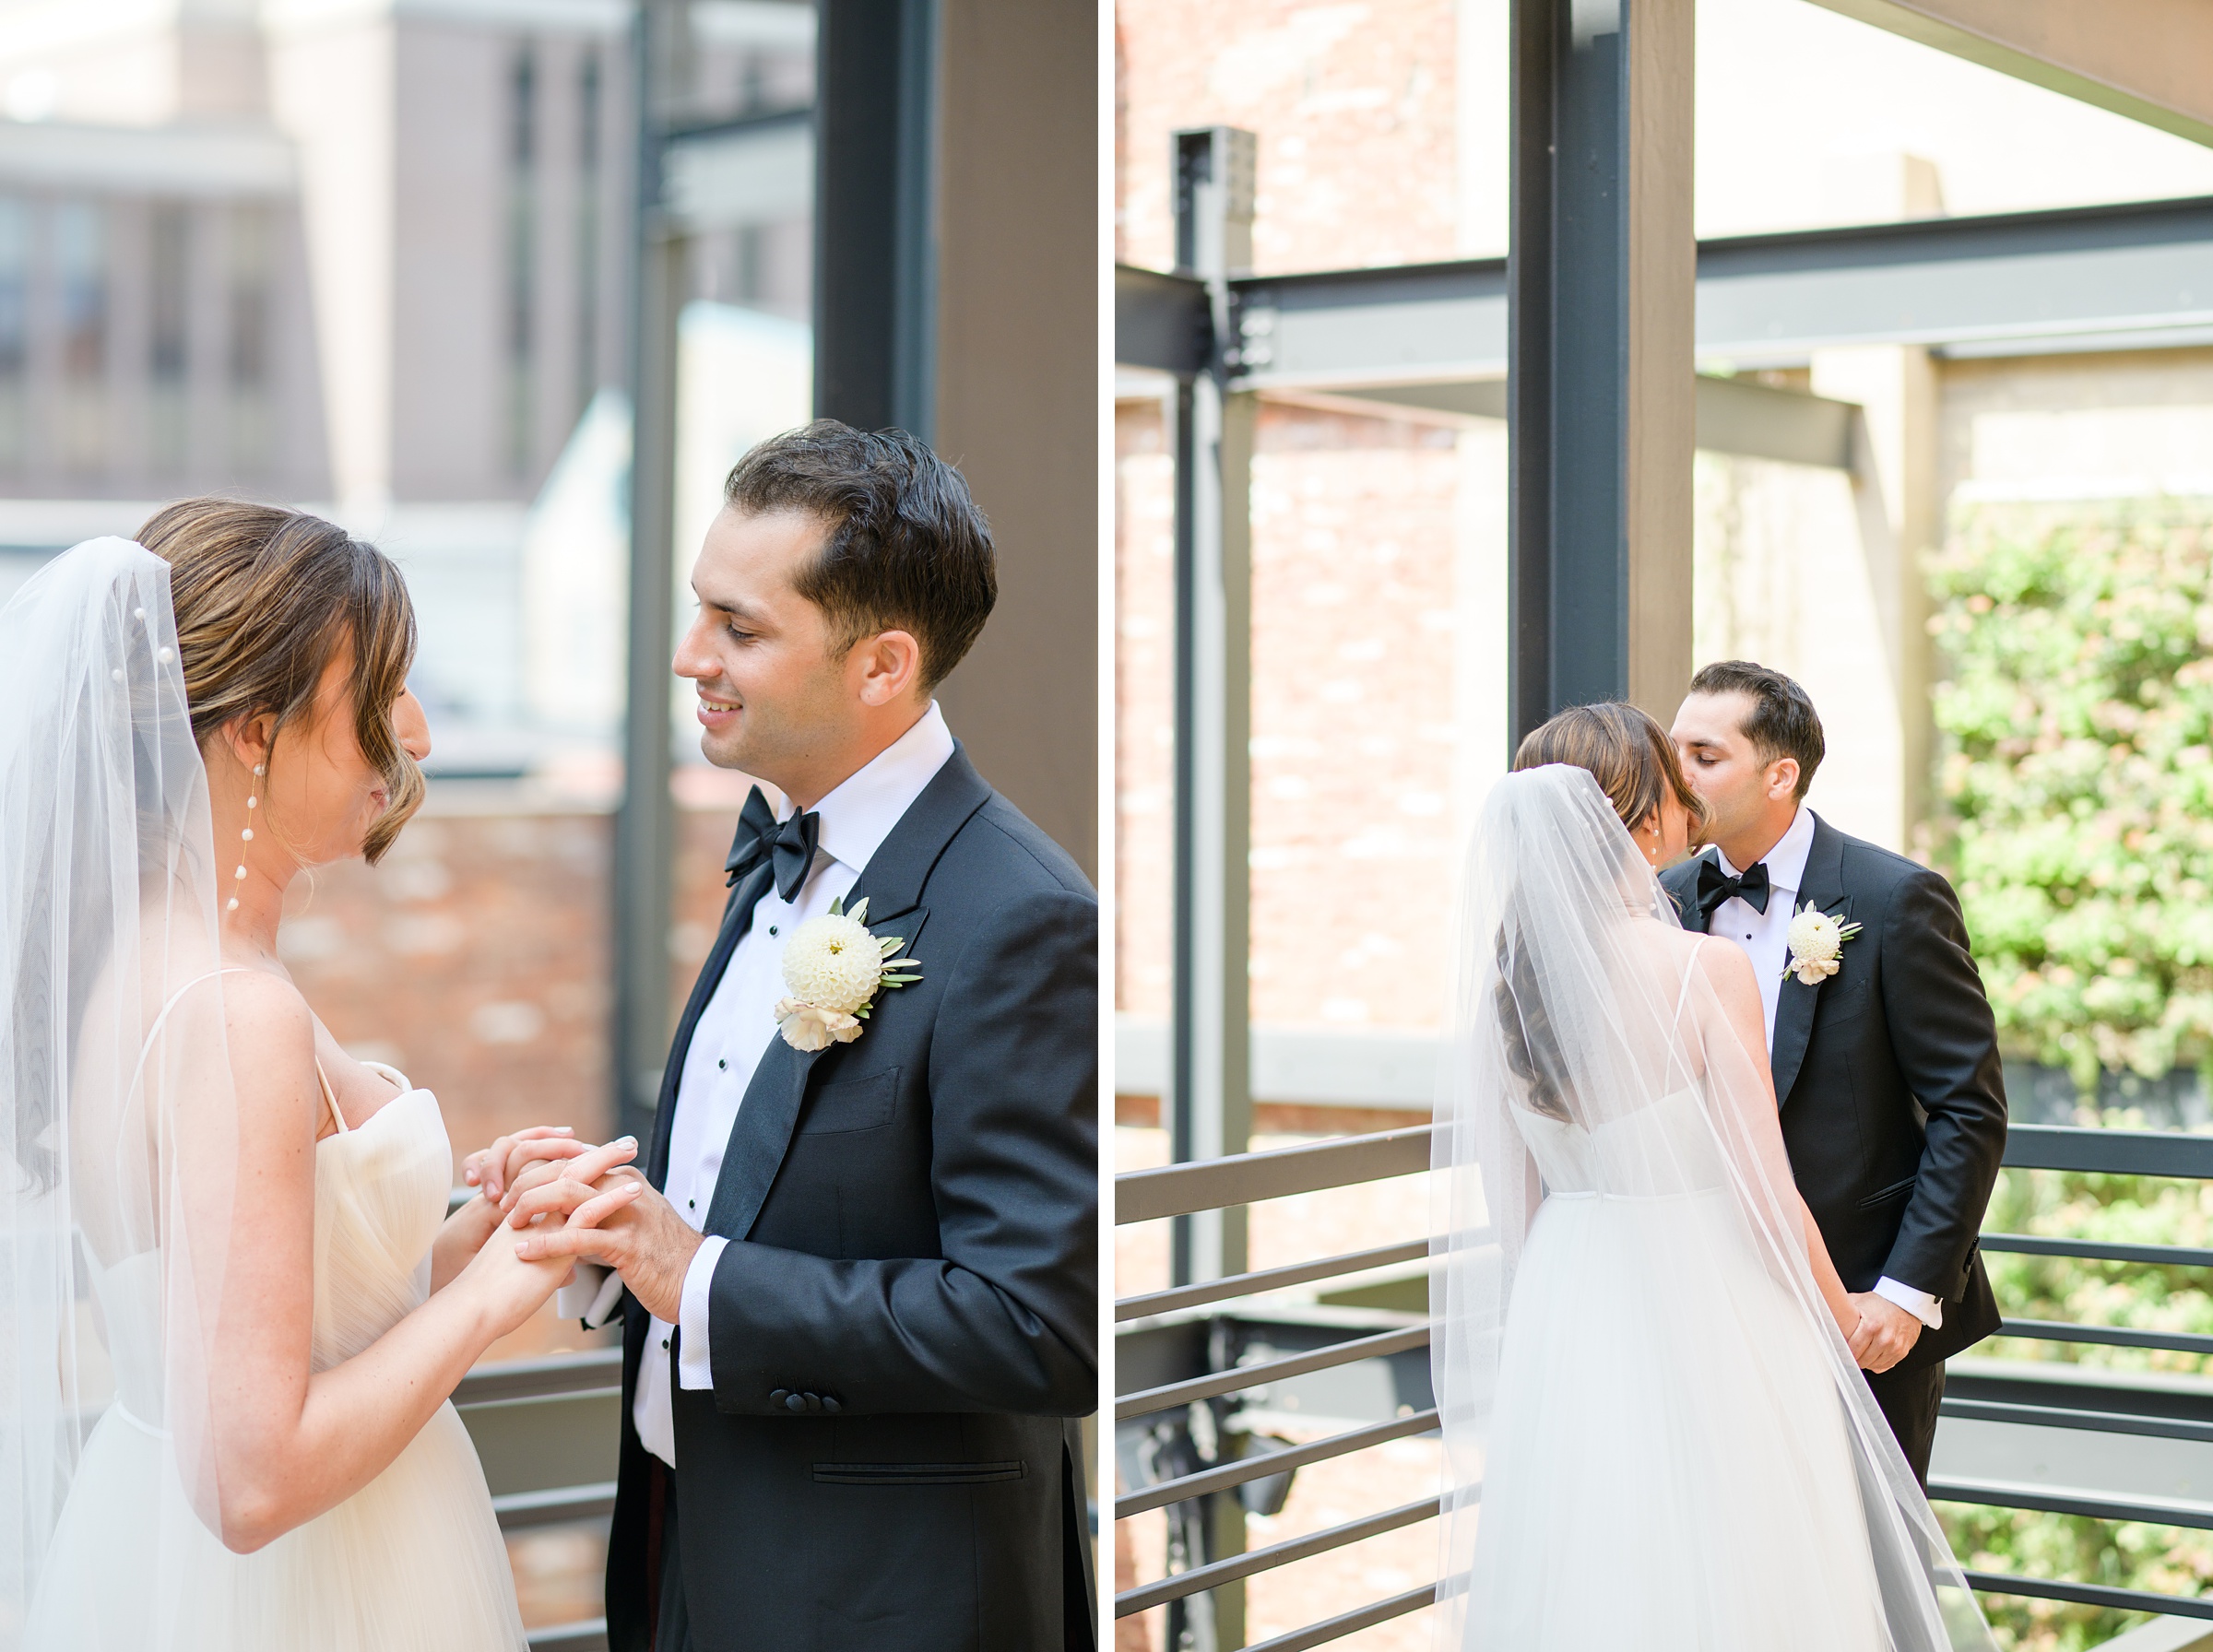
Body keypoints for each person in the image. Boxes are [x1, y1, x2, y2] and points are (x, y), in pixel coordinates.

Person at [470, 421, 1099, 1652]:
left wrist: (692, 1275)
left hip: (878, 1603)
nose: (687, 656)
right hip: (689, 1546)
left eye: (738, 628)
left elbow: (1039, 1324)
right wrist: (608, 1221)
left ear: (881, 667)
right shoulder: (779, 847)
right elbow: (767, 1187)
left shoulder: (1020, 918)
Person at [0, 504, 604, 1648]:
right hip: (310, 1591)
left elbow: (246, 1314)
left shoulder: (146, 965)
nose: (416, 733)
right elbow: (253, 1479)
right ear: (254, 732)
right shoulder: (234, 1013)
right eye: (380, 693)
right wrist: (494, 1294)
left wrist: (460, 1245)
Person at [1429, 702, 1998, 1651]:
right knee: (1747, 1551)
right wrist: (1844, 1315)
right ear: (1644, 813)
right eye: (1673, 771)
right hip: (1716, 1292)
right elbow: (1765, 1191)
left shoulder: (1507, 993)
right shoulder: (1700, 969)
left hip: (1570, 1298)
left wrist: (1558, 1326)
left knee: (1596, 1557)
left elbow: (1512, 1209)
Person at [1662, 661, 2006, 1484]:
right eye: (1673, 749)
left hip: (1861, 1315)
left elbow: (1969, 1110)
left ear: (1781, 775)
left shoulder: (1895, 899)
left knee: (1870, 1583)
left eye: (1705, 756)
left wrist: (1904, 1295)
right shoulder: (1666, 899)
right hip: (1704, 1306)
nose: (1676, 774)